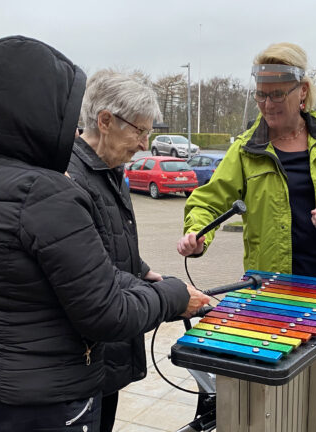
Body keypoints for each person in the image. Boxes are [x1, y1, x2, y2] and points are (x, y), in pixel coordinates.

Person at [0, 36, 209, 432]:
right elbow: (105, 313)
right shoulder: (49, 190)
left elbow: (53, 269)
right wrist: (172, 297)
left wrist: (137, 274)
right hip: (42, 396)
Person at [177, 42, 316, 428]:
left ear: (302, 92)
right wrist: (196, 233)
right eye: (261, 95)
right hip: (272, 289)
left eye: (276, 95)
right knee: (272, 377)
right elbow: (208, 200)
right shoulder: (248, 149)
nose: (267, 105)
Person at [65, 69, 192, 431]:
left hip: (107, 348)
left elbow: (106, 242)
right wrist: (168, 296)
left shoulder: (109, 168)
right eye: (139, 131)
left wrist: (142, 269)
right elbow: (84, 269)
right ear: (105, 121)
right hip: (81, 354)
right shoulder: (69, 178)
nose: (144, 145)